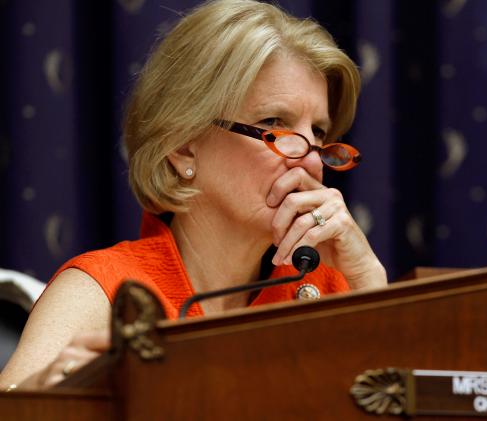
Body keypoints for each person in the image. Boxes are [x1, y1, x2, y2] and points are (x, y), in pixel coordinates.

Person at [0, 0, 387, 391]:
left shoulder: (332, 291)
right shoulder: (104, 292)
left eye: (318, 132)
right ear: (183, 145)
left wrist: (369, 279)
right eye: (273, 123)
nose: (309, 159)